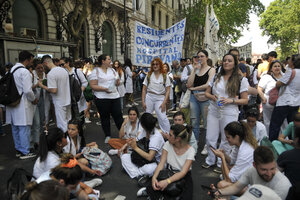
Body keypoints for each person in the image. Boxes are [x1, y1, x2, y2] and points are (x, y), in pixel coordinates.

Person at [203, 53, 249, 172]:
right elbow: (206, 93)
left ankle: (220, 163)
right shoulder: (216, 76)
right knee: (210, 137)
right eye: (224, 60)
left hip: (230, 110)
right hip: (214, 109)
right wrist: (213, 97)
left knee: (226, 139)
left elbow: (245, 100)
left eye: (229, 61)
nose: (226, 62)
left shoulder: (241, 79)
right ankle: (210, 160)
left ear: (234, 64)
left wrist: (231, 100)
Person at [137, 124, 195, 199]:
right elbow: (161, 164)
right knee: (154, 186)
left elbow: (183, 172)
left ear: (177, 139)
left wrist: (167, 181)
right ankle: (149, 192)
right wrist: (154, 178)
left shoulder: (190, 151)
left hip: (184, 176)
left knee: (186, 197)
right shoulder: (167, 144)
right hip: (169, 172)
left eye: (170, 135)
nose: (168, 136)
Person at [210, 146, 291, 200]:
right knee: (221, 192)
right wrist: (219, 192)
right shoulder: (251, 170)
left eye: (273, 169)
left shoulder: (283, 185)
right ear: (254, 165)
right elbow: (236, 187)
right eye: (264, 170)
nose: (269, 174)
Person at [6, 50, 38, 159]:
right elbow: (28, 91)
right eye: (31, 60)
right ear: (27, 59)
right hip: (22, 103)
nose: (31, 63)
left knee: (15, 128)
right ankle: (25, 151)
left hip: (12, 103)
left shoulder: (11, 70)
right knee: (24, 128)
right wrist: (33, 99)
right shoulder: (24, 72)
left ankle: (19, 149)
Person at [211, 121, 258, 189]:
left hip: (251, 185)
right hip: (246, 177)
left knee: (221, 184)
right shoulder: (239, 145)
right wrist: (223, 154)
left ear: (236, 137)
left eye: (228, 137)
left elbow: (230, 179)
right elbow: (231, 161)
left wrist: (222, 157)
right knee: (227, 167)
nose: (226, 139)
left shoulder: (245, 152)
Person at [89, 55, 124, 143]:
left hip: (114, 96)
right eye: (108, 59)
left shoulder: (112, 70)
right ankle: (107, 135)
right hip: (102, 98)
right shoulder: (95, 71)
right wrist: (104, 89)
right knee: (105, 117)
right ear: (103, 61)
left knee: (118, 116)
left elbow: (118, 82)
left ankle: (123, 133)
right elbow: (92, 85)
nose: (110, 61)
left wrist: (117, 81)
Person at [121, 113, 165, 179]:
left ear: (142, 125)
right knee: (124, 157)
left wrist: (135, 147)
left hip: (156, 163)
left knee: (149, 169)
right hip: (143, 159)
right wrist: (127, 144)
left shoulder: (156, 137)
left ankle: (135, 173)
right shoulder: (145, 130)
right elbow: (136, 140)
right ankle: (138, 173)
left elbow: (150, 157)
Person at [269, 54, 300, 141]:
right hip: (296, 103)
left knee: (275, 125)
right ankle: (294, 144)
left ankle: (273, 145)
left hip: (284, 102)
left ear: (293, 62)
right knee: (293, 126)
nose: (288, 61)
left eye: (289, 60)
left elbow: (279, 83)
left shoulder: (291, 71)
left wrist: (278, 83)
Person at [187, 50, 216, 142]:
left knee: (206, 122)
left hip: (205, 97)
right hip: (194, 98)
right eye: (198, 57)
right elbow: (189, 84)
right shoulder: (196, 69)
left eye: (202, 56)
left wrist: (194, 89)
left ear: (207, 57)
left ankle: (206, 145)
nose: (199, 58)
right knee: (194, 121)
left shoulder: (211, 70)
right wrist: (194, 70)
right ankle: (195, 144)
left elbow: (208, 85)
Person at [38, 55, 71, 133]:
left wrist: (42, 86)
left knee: (62, 126)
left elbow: (53, 90)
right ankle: (71, 141)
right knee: (69, 123)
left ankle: (65, 142)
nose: (43, 68)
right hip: (68, 100)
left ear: (45, 63)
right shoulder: (64, 70)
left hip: (59, 102)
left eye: (43, 66)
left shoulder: (51, 74)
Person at [142, 58, 171, 133]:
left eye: (157, 64)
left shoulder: (165, 76)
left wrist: (164, 102)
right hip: (149, 97)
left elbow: (168, 90)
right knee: (147, 116)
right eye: (153, 64)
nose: (155, 66)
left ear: (160, 65)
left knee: (162, 117)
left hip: (160, 98)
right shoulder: (149, 75)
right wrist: (143, 101)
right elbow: (144, 89)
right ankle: (146, 134)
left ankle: (167, 134)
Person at [257, 60, 284, 135]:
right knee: (268, 121)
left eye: (279, 66)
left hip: (282, 103)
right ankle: (268, 138)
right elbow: (259, 89)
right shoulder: (266, 77)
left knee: (282, 122)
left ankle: (281, 139)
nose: (277, 68)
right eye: (275, 66)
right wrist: (263, 98)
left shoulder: (285, 76)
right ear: (271, 68)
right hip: (269, 102)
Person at [60, 57, 88, 122]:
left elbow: (85, 82)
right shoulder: (62, 73)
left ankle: (79, 129)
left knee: (79, 117)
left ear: (68, 63)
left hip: (77, 98)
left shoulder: (77, 71)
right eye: (59, 65)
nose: (61, 66)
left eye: (62, 64)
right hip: (67, 98)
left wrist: (80, 91)